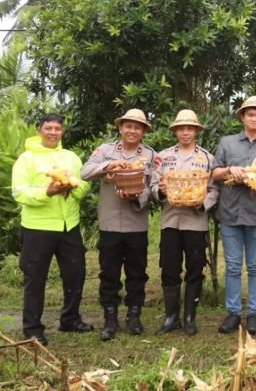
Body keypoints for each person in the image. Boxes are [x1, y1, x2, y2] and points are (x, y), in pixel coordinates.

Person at [12, 113, 93, 346]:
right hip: (38, 227)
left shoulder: (71, 157)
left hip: (69, 225)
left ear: (62, 132)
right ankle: (32, 328)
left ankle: (70, 318)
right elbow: (19, 192)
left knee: (75, 274)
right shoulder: (26, 159)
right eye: (48, 128)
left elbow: (84, 183)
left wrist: (72, 188)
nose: (53, 132)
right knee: (35, 278)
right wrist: (46, 193)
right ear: (39, 130)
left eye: (57, 129)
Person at [82, 108, 156, 341]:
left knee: (137, 272)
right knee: (109, 272)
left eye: (137, 127)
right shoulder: (105, 151)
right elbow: (85, 172)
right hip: (110, 223)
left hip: (136, 223)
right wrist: (108, 167)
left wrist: (137, 197)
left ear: (143, 131)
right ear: (121, 127)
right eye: (128, 125)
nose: (132, 130)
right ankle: (110, 318)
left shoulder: (151, 156)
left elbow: (153, 189)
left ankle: (134, 316)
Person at [211, 96, 256, 336]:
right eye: (249, 114)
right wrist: (231, 170)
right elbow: (215, 173)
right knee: (232, 266)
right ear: (242, 117)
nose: (254, 118)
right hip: (230, 213)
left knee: (255, 266)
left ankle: (253, 314)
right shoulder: (227, 143)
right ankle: (232, 313)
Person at [150, 110, 219, 336]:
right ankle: (171, 317)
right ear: (175, 131)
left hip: (196, 222)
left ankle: (190, 317)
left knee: (195, 269)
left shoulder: (207, 159)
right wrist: (159, 192)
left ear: (197, 131)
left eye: (190, 128)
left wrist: (202, 204)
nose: (186, 132)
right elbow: (152, 185)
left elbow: (215, 190)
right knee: (169, 268)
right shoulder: (163, 157)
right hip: (170, 221)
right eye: (182, 128)